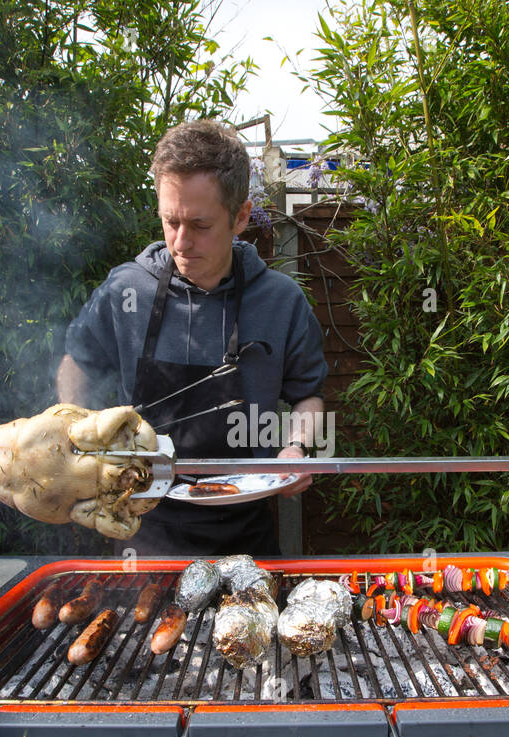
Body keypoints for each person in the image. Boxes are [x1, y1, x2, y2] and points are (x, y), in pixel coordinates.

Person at [57, 119, 328, 556]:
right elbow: (79, 362)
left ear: (241, 216)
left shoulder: (282, 301)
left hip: (247, 533)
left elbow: (308, 394)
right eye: (171, 221)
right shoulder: (126, 290)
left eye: (199, 225)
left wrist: (295, 447)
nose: (181, 242)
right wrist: (76, 439)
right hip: (142, 533)